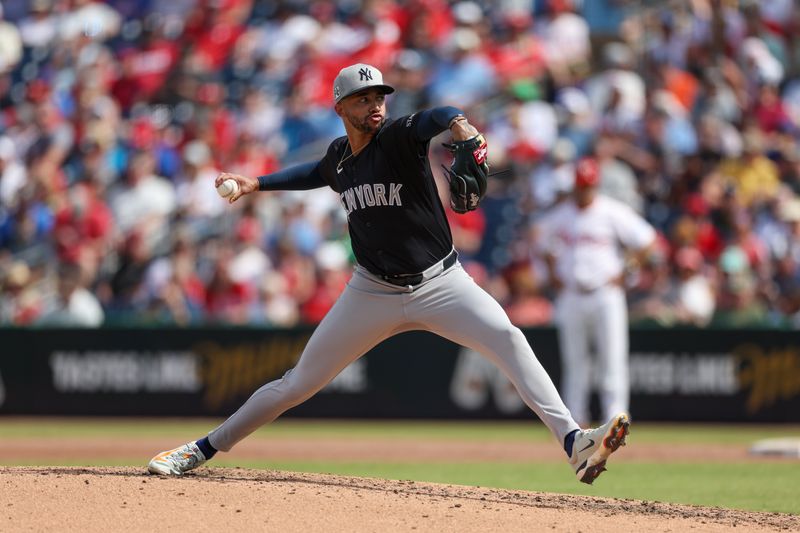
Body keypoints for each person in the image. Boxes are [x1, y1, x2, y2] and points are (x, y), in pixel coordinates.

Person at [147, 63, 630, 484]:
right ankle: (202, 449)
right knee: (296, 384)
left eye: (379, 95)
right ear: (341, 106)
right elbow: (315, 173)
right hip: (371, 291)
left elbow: (437, 116)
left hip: (442, 283)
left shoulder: (400, 137)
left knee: (508, 337)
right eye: (363, 98)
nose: (375, 104)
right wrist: (257, 183)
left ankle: (573, 443)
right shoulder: (340, 156)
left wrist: (460, 125)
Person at [536, 157, 657, 427]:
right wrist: (553, 272)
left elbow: (647, 241)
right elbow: (539, 238)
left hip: (605, 293)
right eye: (580, 185)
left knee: (612, 358)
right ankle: (574, 420)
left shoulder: (612, 211)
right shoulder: (562, 213)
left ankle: (615, 418)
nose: (584, 190)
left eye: (588, 186)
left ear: (596, 185)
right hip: (571, 293)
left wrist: (626, 271)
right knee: (574, 361)